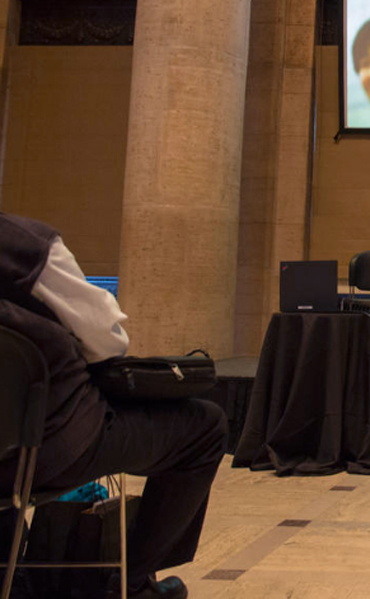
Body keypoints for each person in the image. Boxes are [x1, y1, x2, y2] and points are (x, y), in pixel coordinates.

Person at [0, 213, 227, 599]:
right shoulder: (23, 245)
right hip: (50, 446)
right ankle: (132, 583)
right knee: (205, 427)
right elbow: (107, 340)